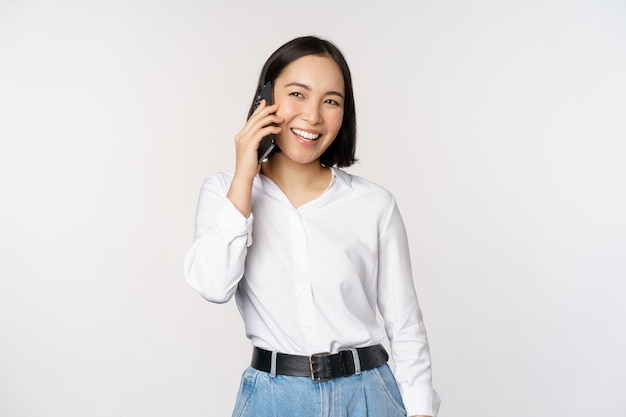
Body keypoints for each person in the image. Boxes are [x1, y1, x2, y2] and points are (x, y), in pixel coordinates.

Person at [184, 35, 441, 417]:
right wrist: (245, 173)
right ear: (265, 100)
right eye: (298, 94)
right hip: (273, 400)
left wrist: (420, 411)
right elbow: (212, 285)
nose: (314, 116)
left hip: (369, 395)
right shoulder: (225, 192)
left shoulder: (374, 205)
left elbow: (405, 325)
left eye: (331, 101)